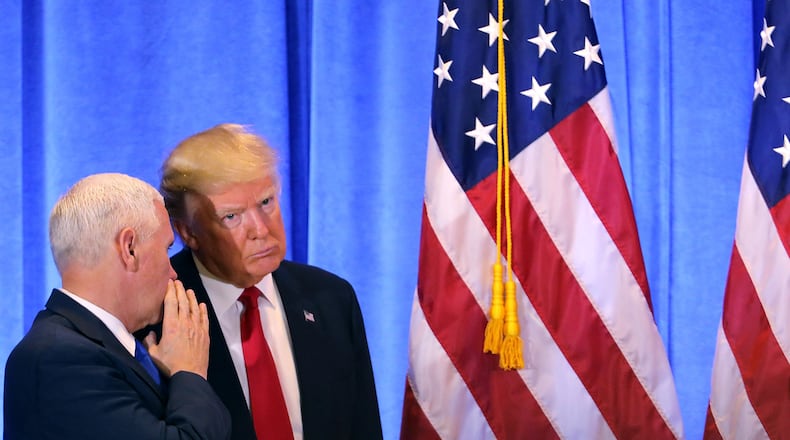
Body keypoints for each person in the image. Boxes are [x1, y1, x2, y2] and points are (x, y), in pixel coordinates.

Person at [158, 123, 382, 440]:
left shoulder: (332, 299)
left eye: (266, 203)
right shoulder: (158, 314)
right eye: (232, 217)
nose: (261, 229)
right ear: (188, 232)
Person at [3, 173, 231, 440]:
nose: (173, 274)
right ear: (129, 248)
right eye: (167, 249)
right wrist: (190, 371)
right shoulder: (60, 358)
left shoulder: (108, 345)